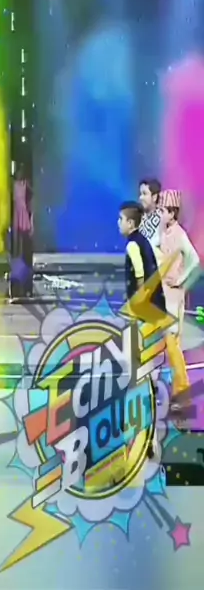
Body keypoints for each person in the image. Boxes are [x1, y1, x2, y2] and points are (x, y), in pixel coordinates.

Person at [118, 201, 167, 457]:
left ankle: (144, 435)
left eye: (121, 219)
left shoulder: (132, 245)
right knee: (146, 372)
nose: (118, 224)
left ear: (131, 223)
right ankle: (149, 433)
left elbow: (140, 277)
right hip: (155, 312)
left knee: (139, 372)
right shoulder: (143, 242)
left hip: (144, 315)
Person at [159, 190, 200, 410]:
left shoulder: (179, 234)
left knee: (172, 343)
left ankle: (183, 393)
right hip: (165, 292)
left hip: (174, 295)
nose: (160, 215)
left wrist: (181, 279)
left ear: (172, 213)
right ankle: (177, 391)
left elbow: (194, 259)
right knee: (170, 344)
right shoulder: (165, 233)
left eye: (163, 211)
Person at [138, 177, 163, 257]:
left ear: (154, 197)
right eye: (140, 194)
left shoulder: (163, 220)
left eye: (144, 194)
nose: (140, 198)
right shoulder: (138, 218)